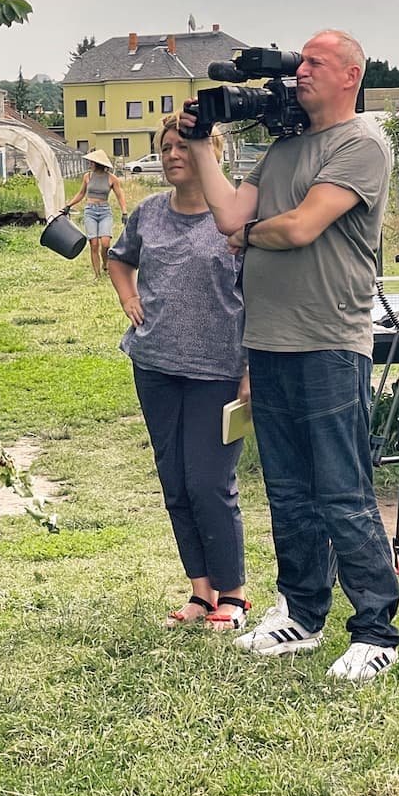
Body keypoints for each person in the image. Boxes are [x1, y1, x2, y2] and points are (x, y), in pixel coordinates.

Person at [180, 29, 399, 684]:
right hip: (269, 342)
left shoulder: (360, 144)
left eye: (314, 63)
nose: (300, 72)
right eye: (299, 61)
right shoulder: (282, 149)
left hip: (328, 342)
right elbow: (226, 215)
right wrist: (198, 147)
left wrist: (249, 237)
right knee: (289, 493)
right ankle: (301, 615)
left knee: (341, 493)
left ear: (348, 76)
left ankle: (375, 631)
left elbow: (301, 225)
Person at [106, 116, 252, 631]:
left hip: (218, 370)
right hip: (156, 366)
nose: (171, 155)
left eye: (183, 146)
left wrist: (251, 369)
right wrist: (128, 296)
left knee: (210, 481)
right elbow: (119, 261)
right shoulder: (147, 214)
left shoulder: (235, 218)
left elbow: (260, 294)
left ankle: (233, 593)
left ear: (210, 152)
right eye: (165, 147)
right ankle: (200, 591)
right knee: (175, 481)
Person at [63, 149, 127, 279]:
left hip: (104, 211)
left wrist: (124, 212)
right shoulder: (88, 176)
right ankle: (97, 275)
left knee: (105, 243)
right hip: (90, 211)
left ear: (98, 163)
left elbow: (120, 195)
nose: (89, 163)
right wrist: (69, 205)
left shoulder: (111, 178)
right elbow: (81, 194)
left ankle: (106, 264)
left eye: (91, 162)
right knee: (93, 244)